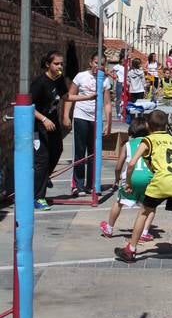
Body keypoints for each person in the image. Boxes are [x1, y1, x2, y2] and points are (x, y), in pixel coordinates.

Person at [114, 109, 172, 263]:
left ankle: (131, 249)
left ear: (148, 124)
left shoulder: (148, 140)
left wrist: (128, 181)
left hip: (161, 181)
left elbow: (132, 163)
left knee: (144, 212)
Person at [100, 118, 155, 242]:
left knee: (119, 202)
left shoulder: (128, 145)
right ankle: (144, 232)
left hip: (131, 177)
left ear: (131, 132)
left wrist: (116, 178)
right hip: (148, 178)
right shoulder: (151, 143)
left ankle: (109, 228)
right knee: (150, 206)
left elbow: (118, 166)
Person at [65, 54, 112, 197]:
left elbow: (107, 103)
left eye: (102, 64)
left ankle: (91, 184)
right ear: (90, 62)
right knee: (80, 151)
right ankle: (77, 185)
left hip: (96, 119)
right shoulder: (81, 76)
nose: (99, 66)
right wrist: (66, 115)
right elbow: (69, 96)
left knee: (93, 152)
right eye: (96, 63)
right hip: (80, 116)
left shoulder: (105, 80)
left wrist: (108, 123)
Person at [31, 50, 68, 210]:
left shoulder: (59, 79)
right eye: (56, 64)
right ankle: (38, 198)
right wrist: (44, 119)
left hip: (53, 124)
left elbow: (66, 97)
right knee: (42, 159)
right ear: (48, 64)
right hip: (39, 126)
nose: (60, 66)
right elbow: (28, 107)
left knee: (58, 150)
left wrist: (88, 97)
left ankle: (45, 178)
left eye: (61, 63)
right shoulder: (40, 83)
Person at [110, 53, 125, 120]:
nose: (124, 60)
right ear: (121, 60)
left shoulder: (127, 66)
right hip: (119, 83)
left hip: (126, 84)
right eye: (123, 59)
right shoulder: (117, 66)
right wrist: (114, 76)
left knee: (125, 98)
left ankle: (124, 112)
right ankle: (118, 113)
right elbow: (110, 71)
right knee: (118, 98)